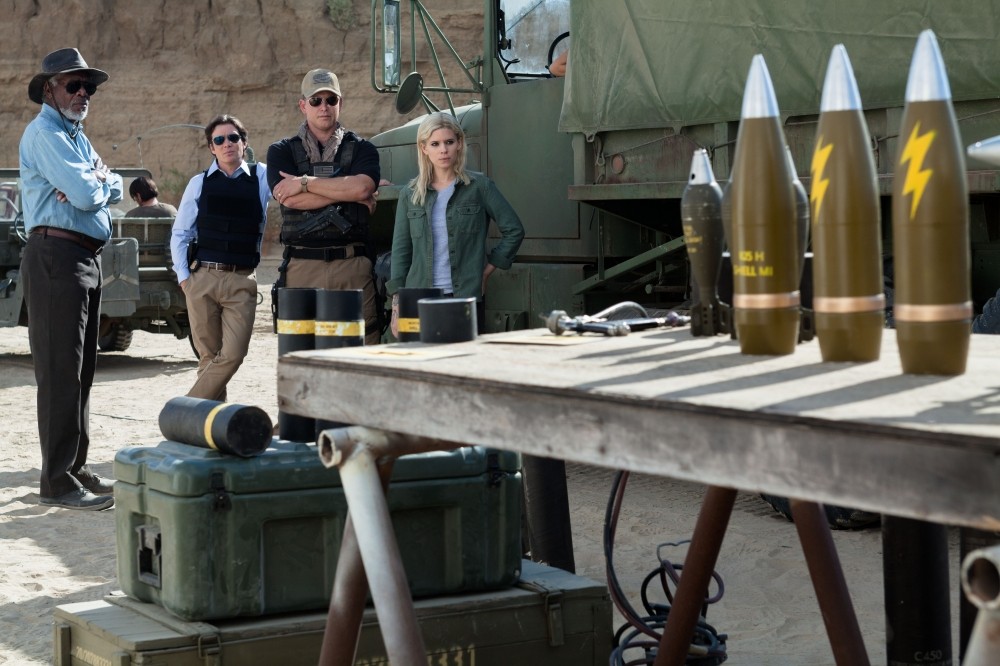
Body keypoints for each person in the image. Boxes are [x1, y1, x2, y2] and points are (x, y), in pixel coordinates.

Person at [18, 48, 123, 510]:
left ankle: (75, 468)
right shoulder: (45, 133)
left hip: (81, 257)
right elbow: (86, 192)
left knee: (81, 373)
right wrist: (93, 185)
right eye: (72, 85)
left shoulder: (74, 136)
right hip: (56, 256)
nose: (83, 93)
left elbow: (112, 185)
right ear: (49, 89)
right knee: (61, 372)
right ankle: (56, 482)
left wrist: (97, 183)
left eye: (89, 87)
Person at [267, 68, 382, 345]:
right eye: (316, 100)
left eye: (331, 99)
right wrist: (348, 191)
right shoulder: (281, 151)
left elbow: (363, 187)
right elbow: (289, 198)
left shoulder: (363, 148)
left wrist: (304, 182)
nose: (324, 107)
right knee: (302, 355)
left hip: (352, 266)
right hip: (301, 267)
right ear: (303, 105)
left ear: (341, 103)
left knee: (363, 351)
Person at [387, 112, 524, 336]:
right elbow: (401, 252)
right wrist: (396, 305)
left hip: (463, 297)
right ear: (424, 148)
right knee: (422, 364)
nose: (443, 150)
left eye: (449, 142)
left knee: (462, 361)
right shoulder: (410, 194)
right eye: (435, 143)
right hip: (419, 298)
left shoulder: (479, 186)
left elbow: (514, 230)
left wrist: (486, 272)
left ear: (459, 144)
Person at [169, 115, 271, 401]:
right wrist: (185, 279)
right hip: (202, 279)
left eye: (233, 138)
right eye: (219, 140)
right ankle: (209, 426)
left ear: (244, 143)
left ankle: (185, 408)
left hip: (241, 280)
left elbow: (292, 183)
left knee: (234, 355)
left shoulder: (262, 176)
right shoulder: (198, 182)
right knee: (208, 358)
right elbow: (181, 233)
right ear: (211, 148)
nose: (227, 144)